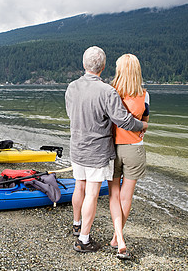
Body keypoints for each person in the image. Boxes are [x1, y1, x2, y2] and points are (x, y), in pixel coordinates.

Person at [65, 46, 148, 253]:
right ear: (102, 67)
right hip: (97, 151)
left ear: (84, 65)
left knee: (79, 186)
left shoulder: (71, 87)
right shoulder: (106, 91)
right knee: (92, 193)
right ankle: (83, 239)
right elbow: (124, 121)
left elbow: (71, 114)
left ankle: (77, 225)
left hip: (77, 147)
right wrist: (142, 126)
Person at [108, 53, 150, 260]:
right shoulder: (144, 94)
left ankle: (119, 237)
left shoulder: (111, 92)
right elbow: (145, 122)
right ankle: (117, 238)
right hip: (134, 148)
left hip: (112, 148)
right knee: (126, 196)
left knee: (114, 194)